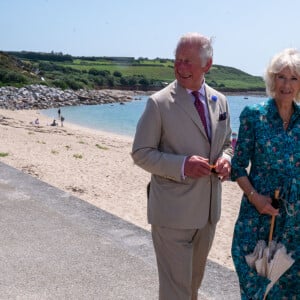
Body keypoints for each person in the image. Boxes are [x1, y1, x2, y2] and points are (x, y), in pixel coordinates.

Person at [131, 32, 233, 300]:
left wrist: (226, 160)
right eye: (177, 60)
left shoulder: (220, 101)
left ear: (207, 65)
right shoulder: (158, 103)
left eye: (188, 61)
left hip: (208, 214)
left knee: (192, 287)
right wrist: (182, 165)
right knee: (176, 292)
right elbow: (140, 153)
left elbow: (227, 144)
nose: (180, 67)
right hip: (172, 215)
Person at [231, 48, 300, 299]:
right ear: (273, 80)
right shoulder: (254, 116)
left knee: (290, 288)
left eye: (294, 78)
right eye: (282, 77)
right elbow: (238, 166)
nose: (287, 84)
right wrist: (254, 197)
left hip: (294, 221)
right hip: (257, 214)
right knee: (255, 282)